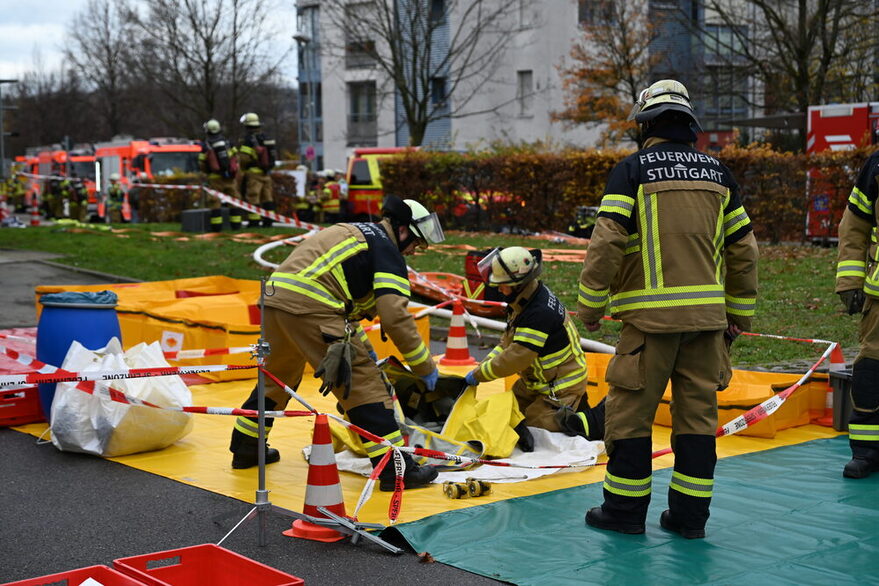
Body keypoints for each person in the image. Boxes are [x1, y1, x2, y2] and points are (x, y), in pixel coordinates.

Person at [577, 79, 758, 539]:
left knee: (630, 418)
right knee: (697, 423)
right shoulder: (720, 175)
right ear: (688, 125)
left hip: (648, 325)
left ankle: (623, 514)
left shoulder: (632, 170)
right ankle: (689, 520)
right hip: (707, 326)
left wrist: (591, 305)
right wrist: (740, 314)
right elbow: (744, 251)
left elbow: (608, 241)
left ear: (647, 125)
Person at [229, 195, 445, 491]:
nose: (414, 252)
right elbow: (395, 317)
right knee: (364, 386)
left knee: (276, 379)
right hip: (312, 307)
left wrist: (363, 345)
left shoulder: (352, 232)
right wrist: (424, 367)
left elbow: (343, 297)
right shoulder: (387, 251)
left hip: (275, 301)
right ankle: (397, 471)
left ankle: (246, 448)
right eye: (416, 244)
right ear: (403, 229)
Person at [463, 246, 605, 451]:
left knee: (536, 428)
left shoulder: (538, 313)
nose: (499, 290)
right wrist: (482, 366)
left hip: (560, 386)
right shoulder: (524, 301)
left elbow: (516, 357)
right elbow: (507, 344)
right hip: (536, 383)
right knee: (505, 413)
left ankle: (586, 421)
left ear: (518, 284)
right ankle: (575, 409)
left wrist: (480, 374)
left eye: (503, 285)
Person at [835, 150, 879, 479]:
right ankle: (867, 450)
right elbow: (854, 225)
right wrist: (850, 280)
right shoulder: (877, 165)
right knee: (870, 372)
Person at [198, 119, 241, 231]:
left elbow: (202, 163)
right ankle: (236, 226)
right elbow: (236, 158)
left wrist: (207, 172)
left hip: (214, 178)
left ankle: (217, 228)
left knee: (215, 203)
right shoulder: (228, 143)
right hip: (230, 178)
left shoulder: (206, 145)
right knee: (234, 201)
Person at [237, 112, 277, 228]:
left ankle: (254, 222)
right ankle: (268, 221)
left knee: (253, 197)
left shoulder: (248, 140)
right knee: (267, 197)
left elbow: (244, 159)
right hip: (266, 173)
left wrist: (243, 168)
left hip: (254, 173)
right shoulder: (266, 137)